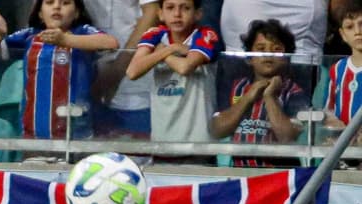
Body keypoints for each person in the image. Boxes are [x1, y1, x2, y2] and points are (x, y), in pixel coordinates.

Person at [0, 0, 118, 141]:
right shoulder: (30, 35)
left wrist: (65, 40)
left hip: (76, 130)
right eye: (49, 2)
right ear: (40, 13)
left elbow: (111, 43)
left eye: (65, 3)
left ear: (76, 13)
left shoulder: (83, 32)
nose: (57, 6)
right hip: (34, 129)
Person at [209, 18, 308, 167]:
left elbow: (287, 137)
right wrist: (248, 97)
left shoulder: (294, 92)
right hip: (236, 170)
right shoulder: (235, 86)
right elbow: (217, 130)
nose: (269, 54)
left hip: (278, 173)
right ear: (249, 58)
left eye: (276, 50)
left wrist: (270, 97)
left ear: (287, 58)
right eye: (261, 49)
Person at [126, 0, 220, 146]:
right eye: (170, 8)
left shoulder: (205, 34)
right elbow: (132, 72)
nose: (177, 14)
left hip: (199, 145)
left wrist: (161, 53)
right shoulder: (155, 34)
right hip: (161, 142)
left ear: (198, 14)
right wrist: (170, 49)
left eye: (185, 8)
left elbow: (185, 68)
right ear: (161, 14)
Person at [85, 0, 159, 138]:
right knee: (90, 155)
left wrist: (119, 68)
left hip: (133, 74)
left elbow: (152, 11)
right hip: (84, 77)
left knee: (135, 154)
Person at [323, 3, 362, 144]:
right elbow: (328, 110)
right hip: (342, 147)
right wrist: (333, 124)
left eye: (361, 24)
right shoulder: (337, 69)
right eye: (350, 27)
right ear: (343, 34)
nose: (357, 31)